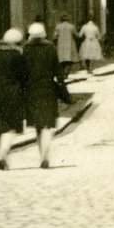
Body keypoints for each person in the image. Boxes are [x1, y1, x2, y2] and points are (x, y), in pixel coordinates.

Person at [23, 21, 70, 168]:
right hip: (48, 89)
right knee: (47, 126)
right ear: (43, 34)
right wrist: (61, 82)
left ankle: (41, 155)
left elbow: (21, 71)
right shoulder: (50, 48)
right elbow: (57, 70)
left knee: (38, 125)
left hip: (31, 91)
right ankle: (46, 156)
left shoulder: (25, 48)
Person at [0, 27, 29, 170]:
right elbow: (24, 76)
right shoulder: (18, 55)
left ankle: (1, 155)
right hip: (12, 94)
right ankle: (3, 155)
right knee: (11, 127)